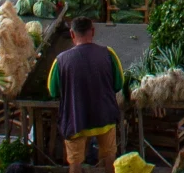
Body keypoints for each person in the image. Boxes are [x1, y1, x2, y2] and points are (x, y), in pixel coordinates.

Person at [47, 19, 128, 173]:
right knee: (110, 157)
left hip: (76, 120)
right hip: (104, 117)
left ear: (72, 34)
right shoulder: (108, 53)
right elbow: (119, 84)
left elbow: (53, 92)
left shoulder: (61, 60)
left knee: (75, 162)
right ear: (93, 31)